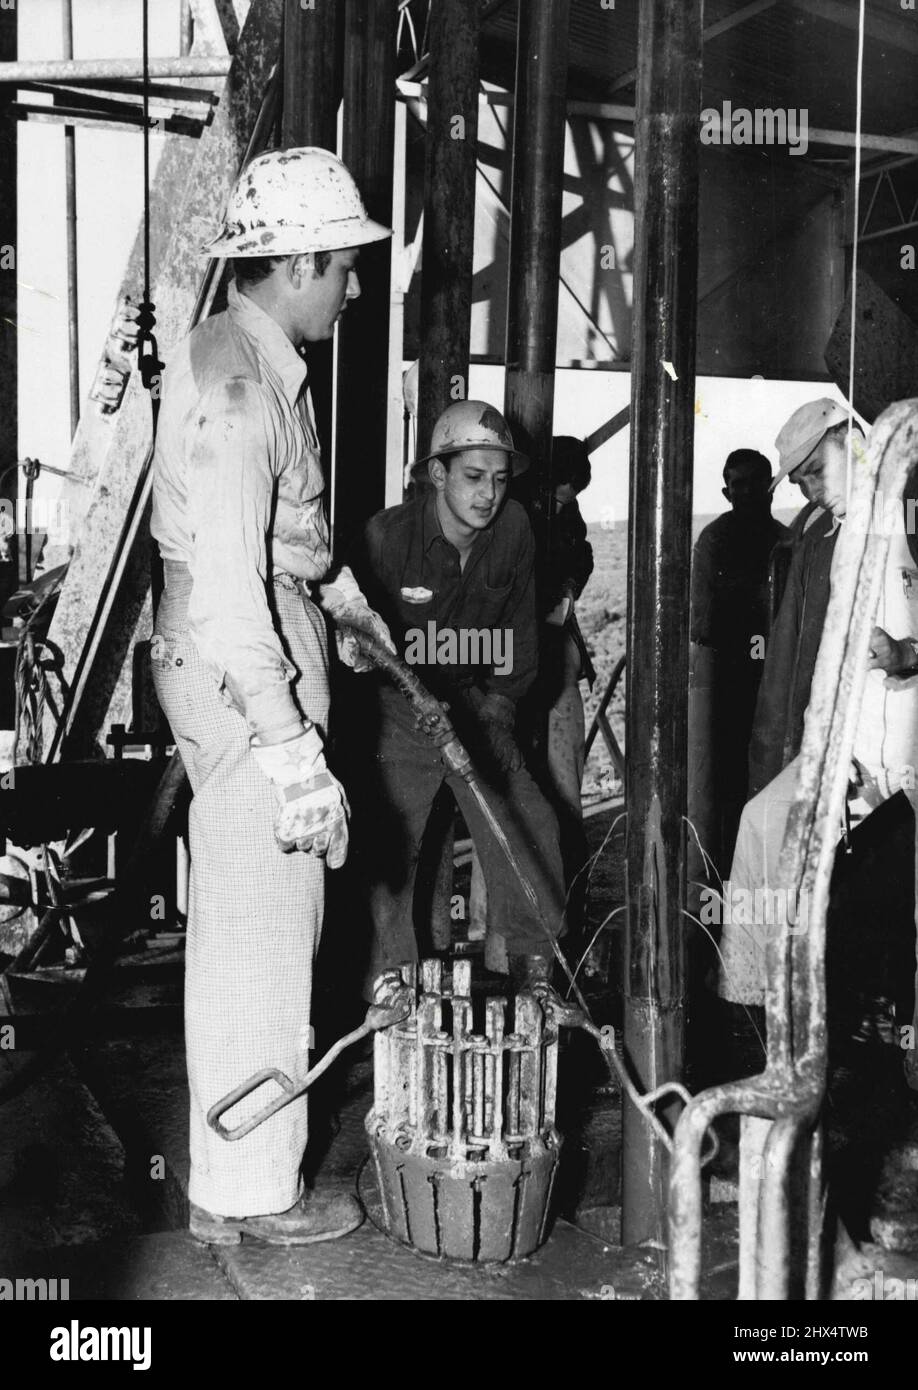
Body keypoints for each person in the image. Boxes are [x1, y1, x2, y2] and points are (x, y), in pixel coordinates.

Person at [149, 147, 393, 1246]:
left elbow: (269, 541)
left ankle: (232, 1175)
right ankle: (249, 1193)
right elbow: (233, 599)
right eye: (343, 267)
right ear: (296, 261)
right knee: (261, 932)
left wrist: (336, 589)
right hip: (245, 677)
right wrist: (295, 755)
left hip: (245, 658)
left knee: (253, 924)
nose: (353, 287)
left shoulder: (244, 359)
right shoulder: (242, 389)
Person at [347, 400, 568, 991]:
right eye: (473, 477)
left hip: (475, 705)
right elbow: (359, 647)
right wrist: (405, 699)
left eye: (499, 479)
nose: (488, 495)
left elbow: (520, 630)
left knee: (530, 828)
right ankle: (389, 988)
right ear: (438, 474)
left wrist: (500, 707)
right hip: (398, 711)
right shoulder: (387, 538)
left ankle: (535, 974)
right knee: (392, 851)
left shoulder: (515, 527)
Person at [717, 399, 918, 1034]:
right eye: (798, 479)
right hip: (845, 749)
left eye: (812, 470)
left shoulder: (906, 513)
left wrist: (907, 653)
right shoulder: (830, 533)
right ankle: (759, 997)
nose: (807, 487)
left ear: (847, 441)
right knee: (761, 822)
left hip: (906, 749)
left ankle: (879, 1017)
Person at [689, 449, 790, 881]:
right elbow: (704, 624)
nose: (746, 492)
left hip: (779, 678)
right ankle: (726, 882)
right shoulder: (713, 541)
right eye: (738, 484)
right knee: (727, 787)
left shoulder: (789, 541)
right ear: (726, 490)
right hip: (731, 683)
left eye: (755, 482)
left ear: (771, 487)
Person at [522, 436, 596, 902]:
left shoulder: (569, 518)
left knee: (564, 792)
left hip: (556, 660)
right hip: (515, 660)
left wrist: (568, 589)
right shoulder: (515, 515)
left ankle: (568, 907)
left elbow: (581, 556)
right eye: (556, 496)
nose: (562, 508)